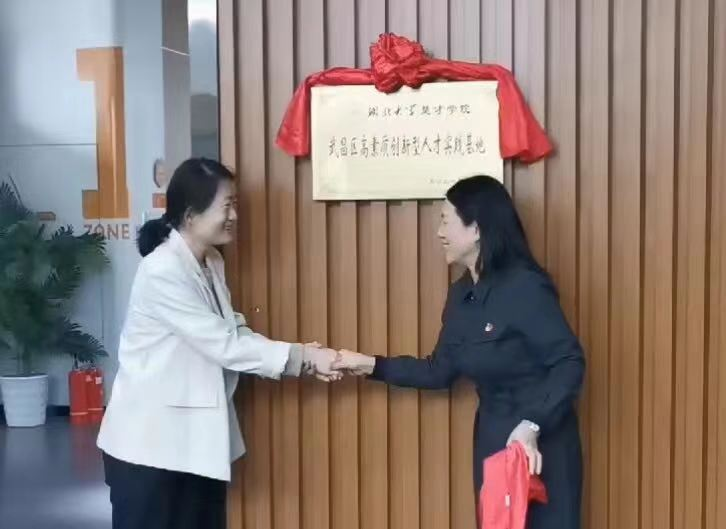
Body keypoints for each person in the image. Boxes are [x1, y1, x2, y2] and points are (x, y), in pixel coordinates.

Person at [97, 158, 340, 529]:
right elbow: (223, 345)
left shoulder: (210, 260)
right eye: (226, 206)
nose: (234, 216)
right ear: (190, 215)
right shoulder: (162, 270)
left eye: (235, 204)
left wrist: (302, 356)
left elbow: (233, 330)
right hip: (148, 449)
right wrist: (302, 357)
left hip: (190, 445)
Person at [333, 175, 585, 529]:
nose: (439, 232)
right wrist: (369, 365)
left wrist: (532, 424)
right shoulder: (461, 295)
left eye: (445, 221)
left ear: (476, 229)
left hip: (542, 444)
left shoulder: (526, 286)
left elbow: (569, 362)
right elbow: (439, 371)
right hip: (495, 441)